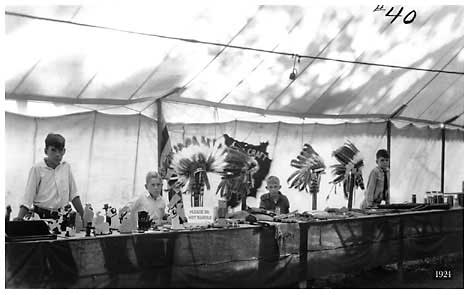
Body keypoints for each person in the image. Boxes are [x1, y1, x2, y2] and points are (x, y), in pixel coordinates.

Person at [15, 133, 85, 222]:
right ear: (46, 151)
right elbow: (28, 198)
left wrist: (83, 216)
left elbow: (74, 195)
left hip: (63, 218)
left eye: (60, 150)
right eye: (53, 150)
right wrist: (19, 219)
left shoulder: (66, 167)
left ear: (64, 151)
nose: (57, 154)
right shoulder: (37, 169)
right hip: (41, 219)